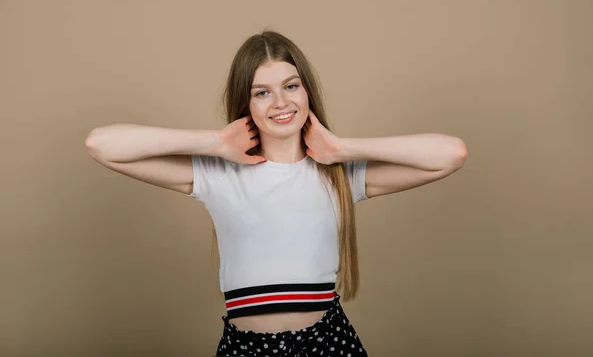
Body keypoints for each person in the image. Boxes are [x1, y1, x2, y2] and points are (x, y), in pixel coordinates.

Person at [85, 30, 468, 356]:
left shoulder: (339, 176)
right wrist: (217, 141)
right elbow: (102, 144)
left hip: (327, 343)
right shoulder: (218, 175)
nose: (281, 102)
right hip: (246, 348)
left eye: (290, 86)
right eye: (262, 92)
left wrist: (342, 149)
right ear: (246, 104)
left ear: (306, 92)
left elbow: (450, 154)